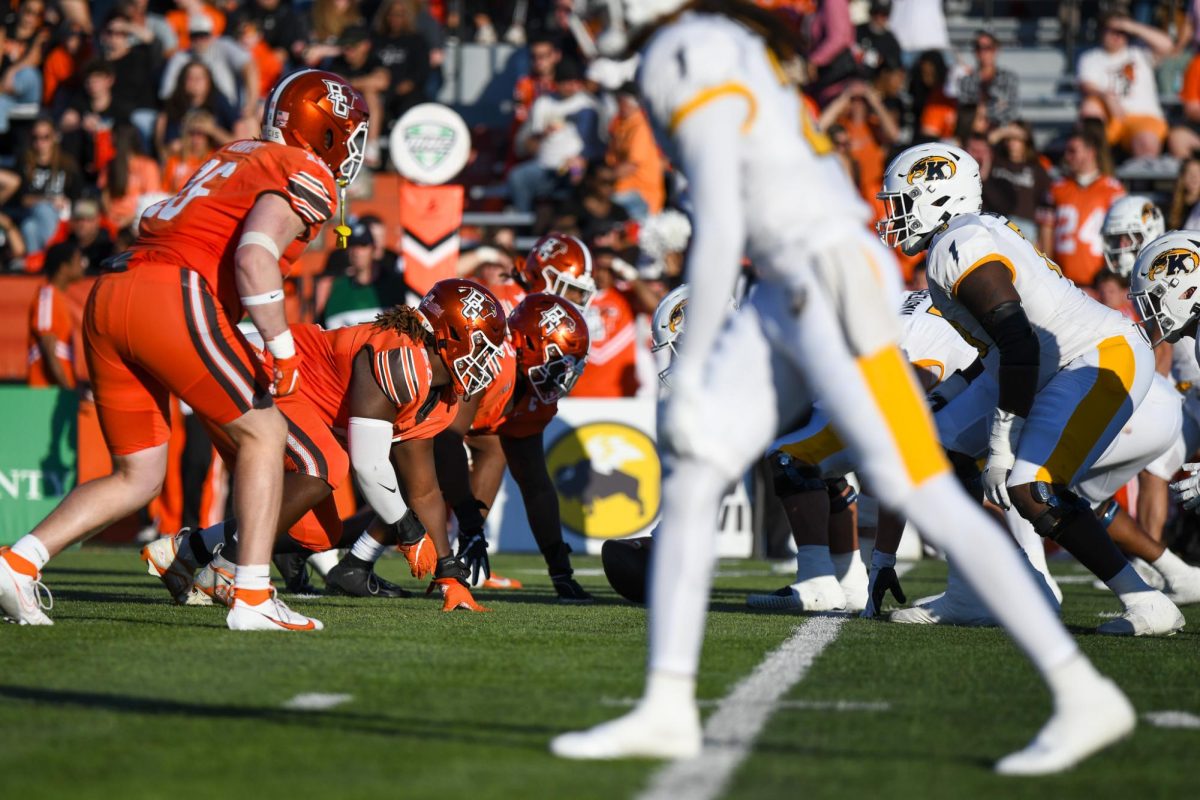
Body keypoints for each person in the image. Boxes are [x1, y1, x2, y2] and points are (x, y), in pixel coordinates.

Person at [552, 1, 1135, 776]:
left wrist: (693, 364)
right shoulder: (718, 47)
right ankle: (666, 705)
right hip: (798, 276)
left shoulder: (686, 50)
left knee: (912, 484)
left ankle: (1078, 690)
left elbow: (724, 207)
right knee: (705, 474)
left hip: (815, 272)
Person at [0, 69, 369, 631]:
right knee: (265, 434)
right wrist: (281, 344)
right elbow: (253, 256)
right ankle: (250, 595)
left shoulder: (237, 153)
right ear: (325, 130)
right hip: (171, 294)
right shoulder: (303, 167)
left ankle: (17, 561)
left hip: (113, 293)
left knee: (138, 476)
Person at [879, 141, 1182, 634]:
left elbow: (1018, 342)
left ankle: (1146, 601)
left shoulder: (959, 246)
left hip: (1094, 355)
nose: (895, 216)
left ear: (938, 198)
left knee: (1030, 485)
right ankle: (973, 588)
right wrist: (949, 399)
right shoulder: (965, 237)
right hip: (1045, 361)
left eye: (903, 202)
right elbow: (1004, 351)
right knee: (934, 449)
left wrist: (1001, 439)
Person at [144, 279, 506, 607]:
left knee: (320, 533)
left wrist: (448, 572)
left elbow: (424, 491)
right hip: (258, 370)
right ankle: (227, 569)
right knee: (326, 464)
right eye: (482, 347)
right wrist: (409, 532)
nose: (487, 361)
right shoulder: (399, 358)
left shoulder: (438, 396)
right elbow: (369, 464)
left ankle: (186, 552)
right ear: (449, 335)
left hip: (288, 400)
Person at [433, 293, 593, 601]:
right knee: (419, 495)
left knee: (498, 450)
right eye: (559, 363)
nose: (564, 375)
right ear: (530, 344)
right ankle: (356, 558)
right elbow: (445, 439)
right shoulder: (494, 363)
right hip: (413, 424)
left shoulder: (534, 397)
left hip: (447, 435)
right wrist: (470, 522)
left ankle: (461, 552)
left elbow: (536, 486)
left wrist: (560, 568)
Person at [1038, 126, 1125, 287]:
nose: (1067, 157)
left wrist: (1110, 280)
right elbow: (1046, 234)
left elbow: (1121, 239)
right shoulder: (1057, 188)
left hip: (1099, 283)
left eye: (1073, 151)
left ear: (1090, 152)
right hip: (1062, 281)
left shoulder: (1113, 190)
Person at [1077, 14, 1173, 158]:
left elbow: (1167, 45)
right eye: (1112, 31)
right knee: (1090, 106)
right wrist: (1108, 98)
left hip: (1143, 118)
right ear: (1102, 31)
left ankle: (1142, 179)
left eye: (1121, 32)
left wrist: (1130, 26)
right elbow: (1086, 85)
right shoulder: (1090, 58)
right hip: (1110, 118)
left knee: (1146, 141)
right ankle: (1093, 170)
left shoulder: (1139, 53)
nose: (1117, 36)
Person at [317, 217, 414, 328]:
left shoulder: (394, 287)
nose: (357, 252)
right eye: (353, 246)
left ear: (373, 249)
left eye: (363, 245)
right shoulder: (337, 289)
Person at [27, 240, 85, 389]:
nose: (82, 265)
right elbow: (48, 348)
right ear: (64, 267)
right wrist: (67, 390)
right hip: (47, 396)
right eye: (78, 260)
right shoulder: (47, 297)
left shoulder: (57, 297)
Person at [605, 83, 664, 221]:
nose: (617, 103)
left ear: (629, 102)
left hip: (640, 195)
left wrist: (601, 180)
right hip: (623, 190)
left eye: (619, 99)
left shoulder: (640, 127)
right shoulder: (622, 123)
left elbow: (631, 166)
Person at [155, 60, 237, 158]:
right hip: (185, 160)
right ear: (183, 82)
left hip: (216, 158)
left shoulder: (219, 102)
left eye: (199, 78)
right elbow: (171, 146)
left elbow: (235, 142)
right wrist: (189, 136)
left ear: (208, 81)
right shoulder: (175, 105)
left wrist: (211, 130)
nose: (195, 82)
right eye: (190, 78)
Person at [985, 122, 1050, 241]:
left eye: (1016, 139)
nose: (1011, 143)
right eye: (1008, 139)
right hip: (996, 221)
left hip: (1025, 226)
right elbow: (983, 145)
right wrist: (1004, 131)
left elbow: (1044, 205)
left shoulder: (1036, 168)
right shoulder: (996, 160)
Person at [372, 0, 431, 123]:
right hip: (378, 89)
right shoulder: (376, 39)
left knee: (411, 103)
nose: (395, 18)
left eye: (399, 14)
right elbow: (368, 64)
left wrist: (408, 84)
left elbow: (422, 70)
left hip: (406, 92)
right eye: (391, 14)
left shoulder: (417, 40)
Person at [957, 30, 1019, 128]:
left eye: (988, 47)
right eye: (978, 47)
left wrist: (982, 110)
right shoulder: (966, 80)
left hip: (1001, 132)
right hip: (973, 133)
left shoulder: (1009, 77)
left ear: (997, 49)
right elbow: (966, 113)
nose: (983, 52)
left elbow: (1011, 113)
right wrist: (998, 105)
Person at [1168, 154, 1200, 229]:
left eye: (1198, 172)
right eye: (1189, 172)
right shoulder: (1171, 204)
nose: (1194, 177)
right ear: (1183, 177)